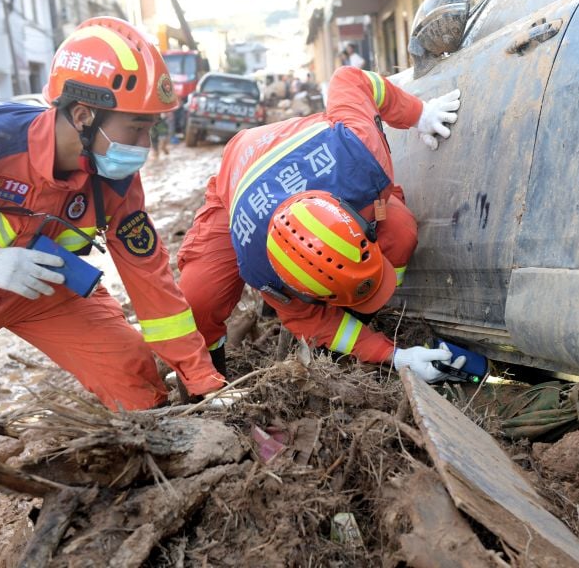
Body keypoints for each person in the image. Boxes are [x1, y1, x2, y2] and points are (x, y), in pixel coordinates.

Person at [0, 16, 229, 565]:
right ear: (83, 113)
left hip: (42, 281)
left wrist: (205, 380)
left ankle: (140, 510)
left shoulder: (115, 175)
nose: (147, 145)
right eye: (138, 128)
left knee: (135, 377)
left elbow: (151, 279)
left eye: (152, 129)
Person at [177, 66, 462, 383]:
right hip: (236, 182)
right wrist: (392, 355)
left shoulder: (361, 151)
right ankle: (205, 382)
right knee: (199, 298)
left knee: (400, 230)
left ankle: (369, 313)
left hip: (305, 151)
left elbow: (349, 78)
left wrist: (418, 113)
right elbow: (314, 322)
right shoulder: (262, 266)